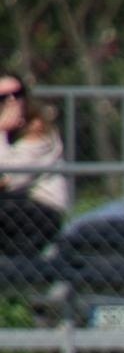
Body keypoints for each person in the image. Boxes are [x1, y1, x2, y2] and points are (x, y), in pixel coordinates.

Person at [0, 71, 68, 256]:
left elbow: (11, 178)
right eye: (3, 97)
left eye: (17, 94)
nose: (12, 102)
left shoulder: (39, 132)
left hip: (40, 211)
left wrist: (0, 131)